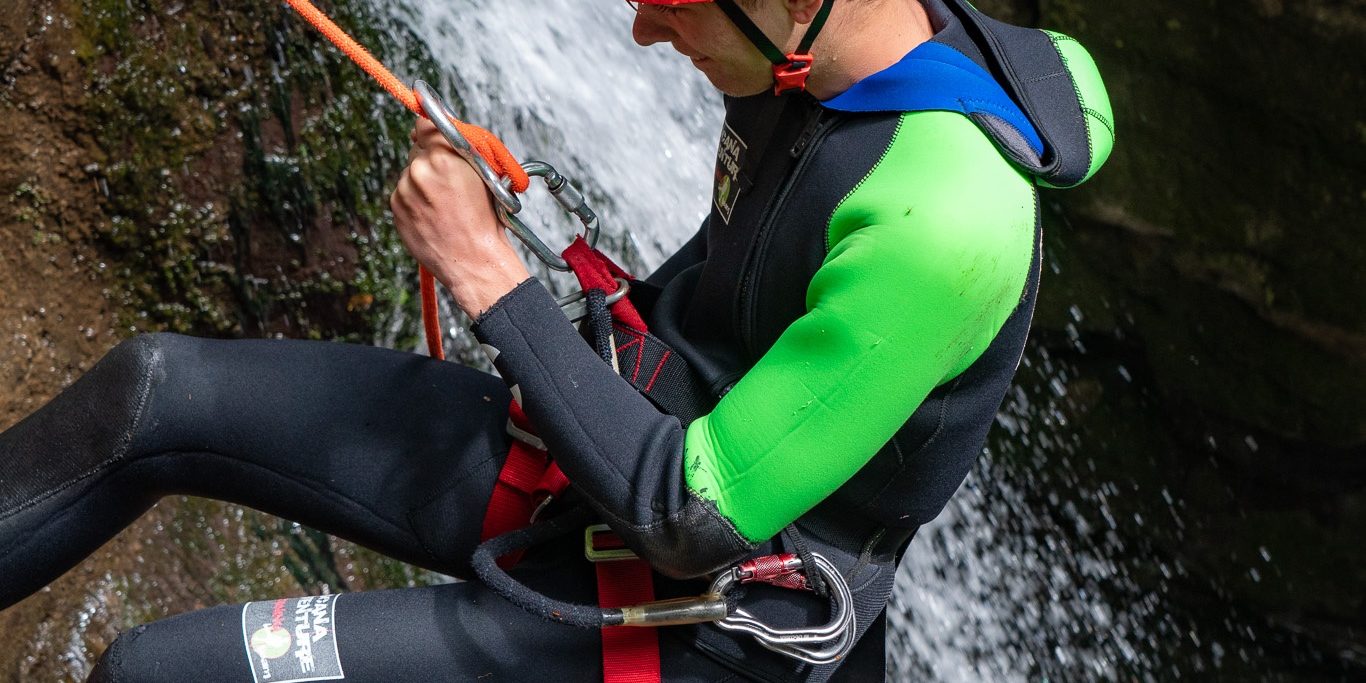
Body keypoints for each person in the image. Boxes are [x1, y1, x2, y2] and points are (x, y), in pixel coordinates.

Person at [0, 0, 1112, 680]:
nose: (640, 28)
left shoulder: (946, 213)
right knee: (152, 395)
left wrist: (488, 271)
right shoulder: (804, 60)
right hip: (612, 464)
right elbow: (713, 304)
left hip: (712, 622)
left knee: (159, 672)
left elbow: (694, 513)